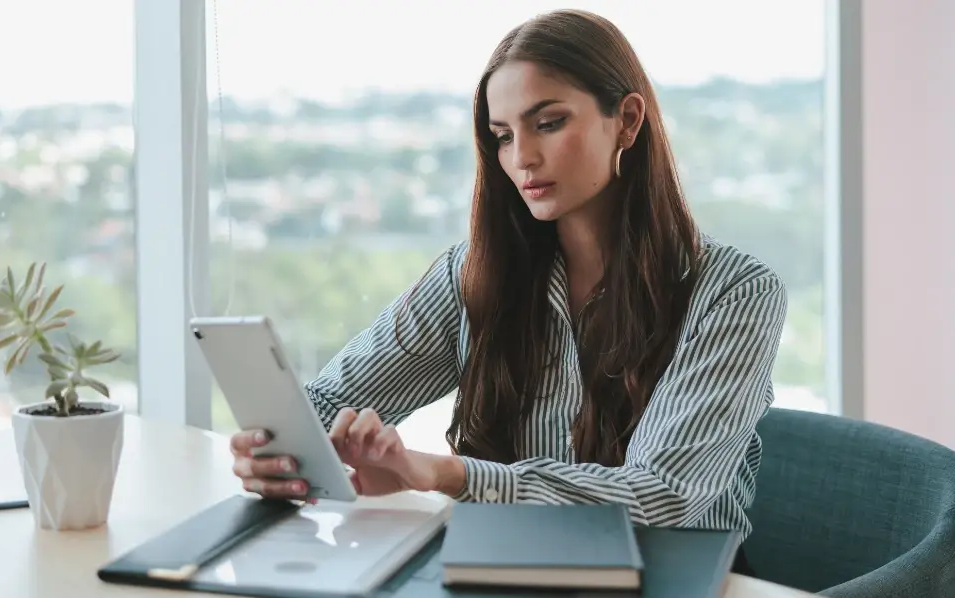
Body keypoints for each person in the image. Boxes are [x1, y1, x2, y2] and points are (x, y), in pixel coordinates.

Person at [229, 9, 786, 576]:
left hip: (666, 578)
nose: (521, 159)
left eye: (548, 123)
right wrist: (284, 456)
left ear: (626, 120)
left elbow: (661, 495)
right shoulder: (473, 275)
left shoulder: (736, 293)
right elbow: (327, 405)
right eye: (502, 136)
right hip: (500, 570)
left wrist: (447, 474)